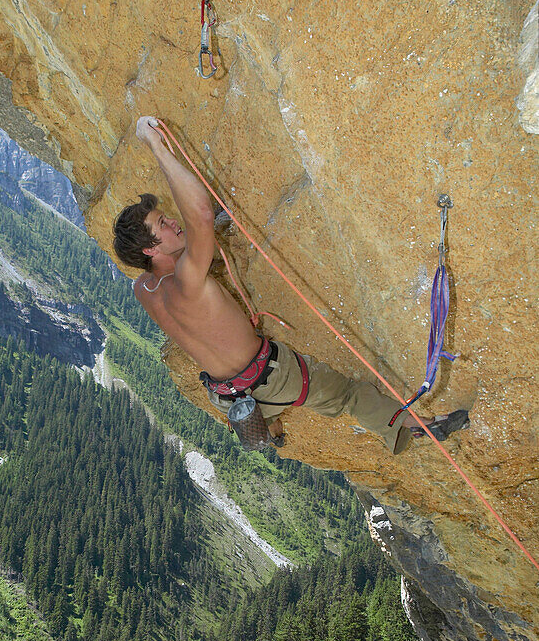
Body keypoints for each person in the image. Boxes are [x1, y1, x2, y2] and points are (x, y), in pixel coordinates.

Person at [112, 117, 469, 453]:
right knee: (349, 395)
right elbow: (201, 217)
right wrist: (157, 146)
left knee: (262, 403)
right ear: (149, 249)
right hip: (272, 376)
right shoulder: (187, 281)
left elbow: (184, 244)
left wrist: (184, 239)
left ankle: (269, 429)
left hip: (227, 395)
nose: (174, 222)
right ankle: (419, 425)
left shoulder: (144, 290)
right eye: (162, 223)